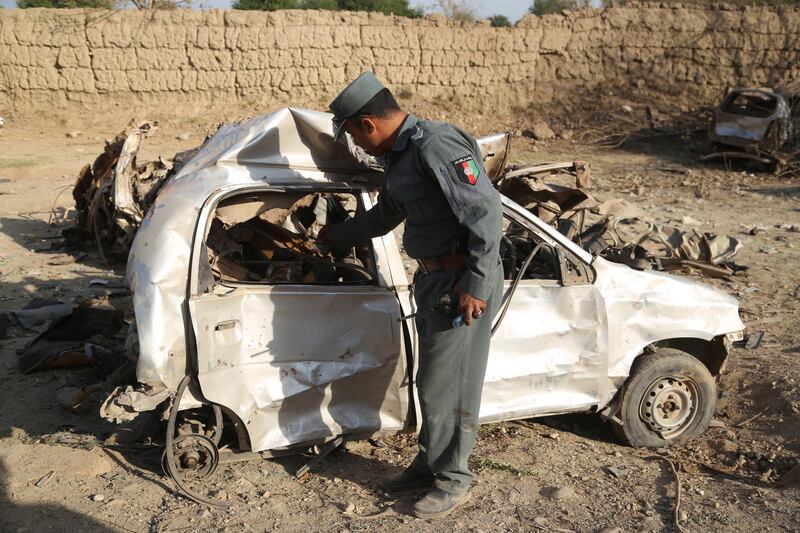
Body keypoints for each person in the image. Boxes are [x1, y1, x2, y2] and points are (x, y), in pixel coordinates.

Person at [321, 72, 504, 519]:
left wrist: (476, 284)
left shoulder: (434, 144)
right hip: (434, 281)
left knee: (451, 384)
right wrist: (334, 238)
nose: (357, 146)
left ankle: (453, 477)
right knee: (431, 382)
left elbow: (486, 212)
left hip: (462, 281)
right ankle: (430, 462)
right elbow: (386, 214)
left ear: (367, 124)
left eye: (352, 136)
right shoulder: (402, 157)